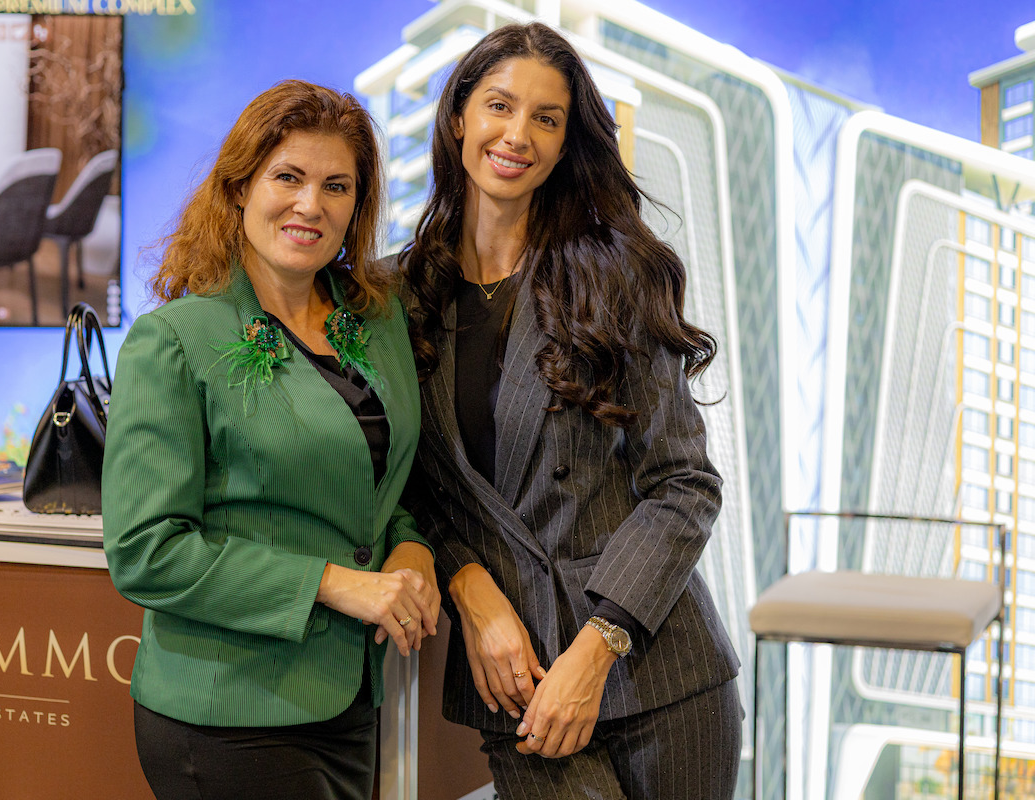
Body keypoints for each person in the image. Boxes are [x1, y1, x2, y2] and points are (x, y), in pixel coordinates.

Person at [400, 22, 741, 800]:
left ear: (564, 144)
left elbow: (685, 484)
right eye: (499, 105)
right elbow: (410, 492)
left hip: (659, 672)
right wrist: (469, 589)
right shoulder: (400, 296)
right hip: (516, 678)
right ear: (458, 116)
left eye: (546, 118)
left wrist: (598, 648)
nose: (517, 134)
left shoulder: (613, 276)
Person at [102, 80, 439, 800]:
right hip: (228, 712)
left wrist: (412, 547)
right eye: (288, 177)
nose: (311, 204)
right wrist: (335, 583)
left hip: (350, 700)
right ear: (239, 188)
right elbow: (146, 552)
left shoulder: (378, 322)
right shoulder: (174, 340)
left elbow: (380, 486)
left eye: (337, 186)